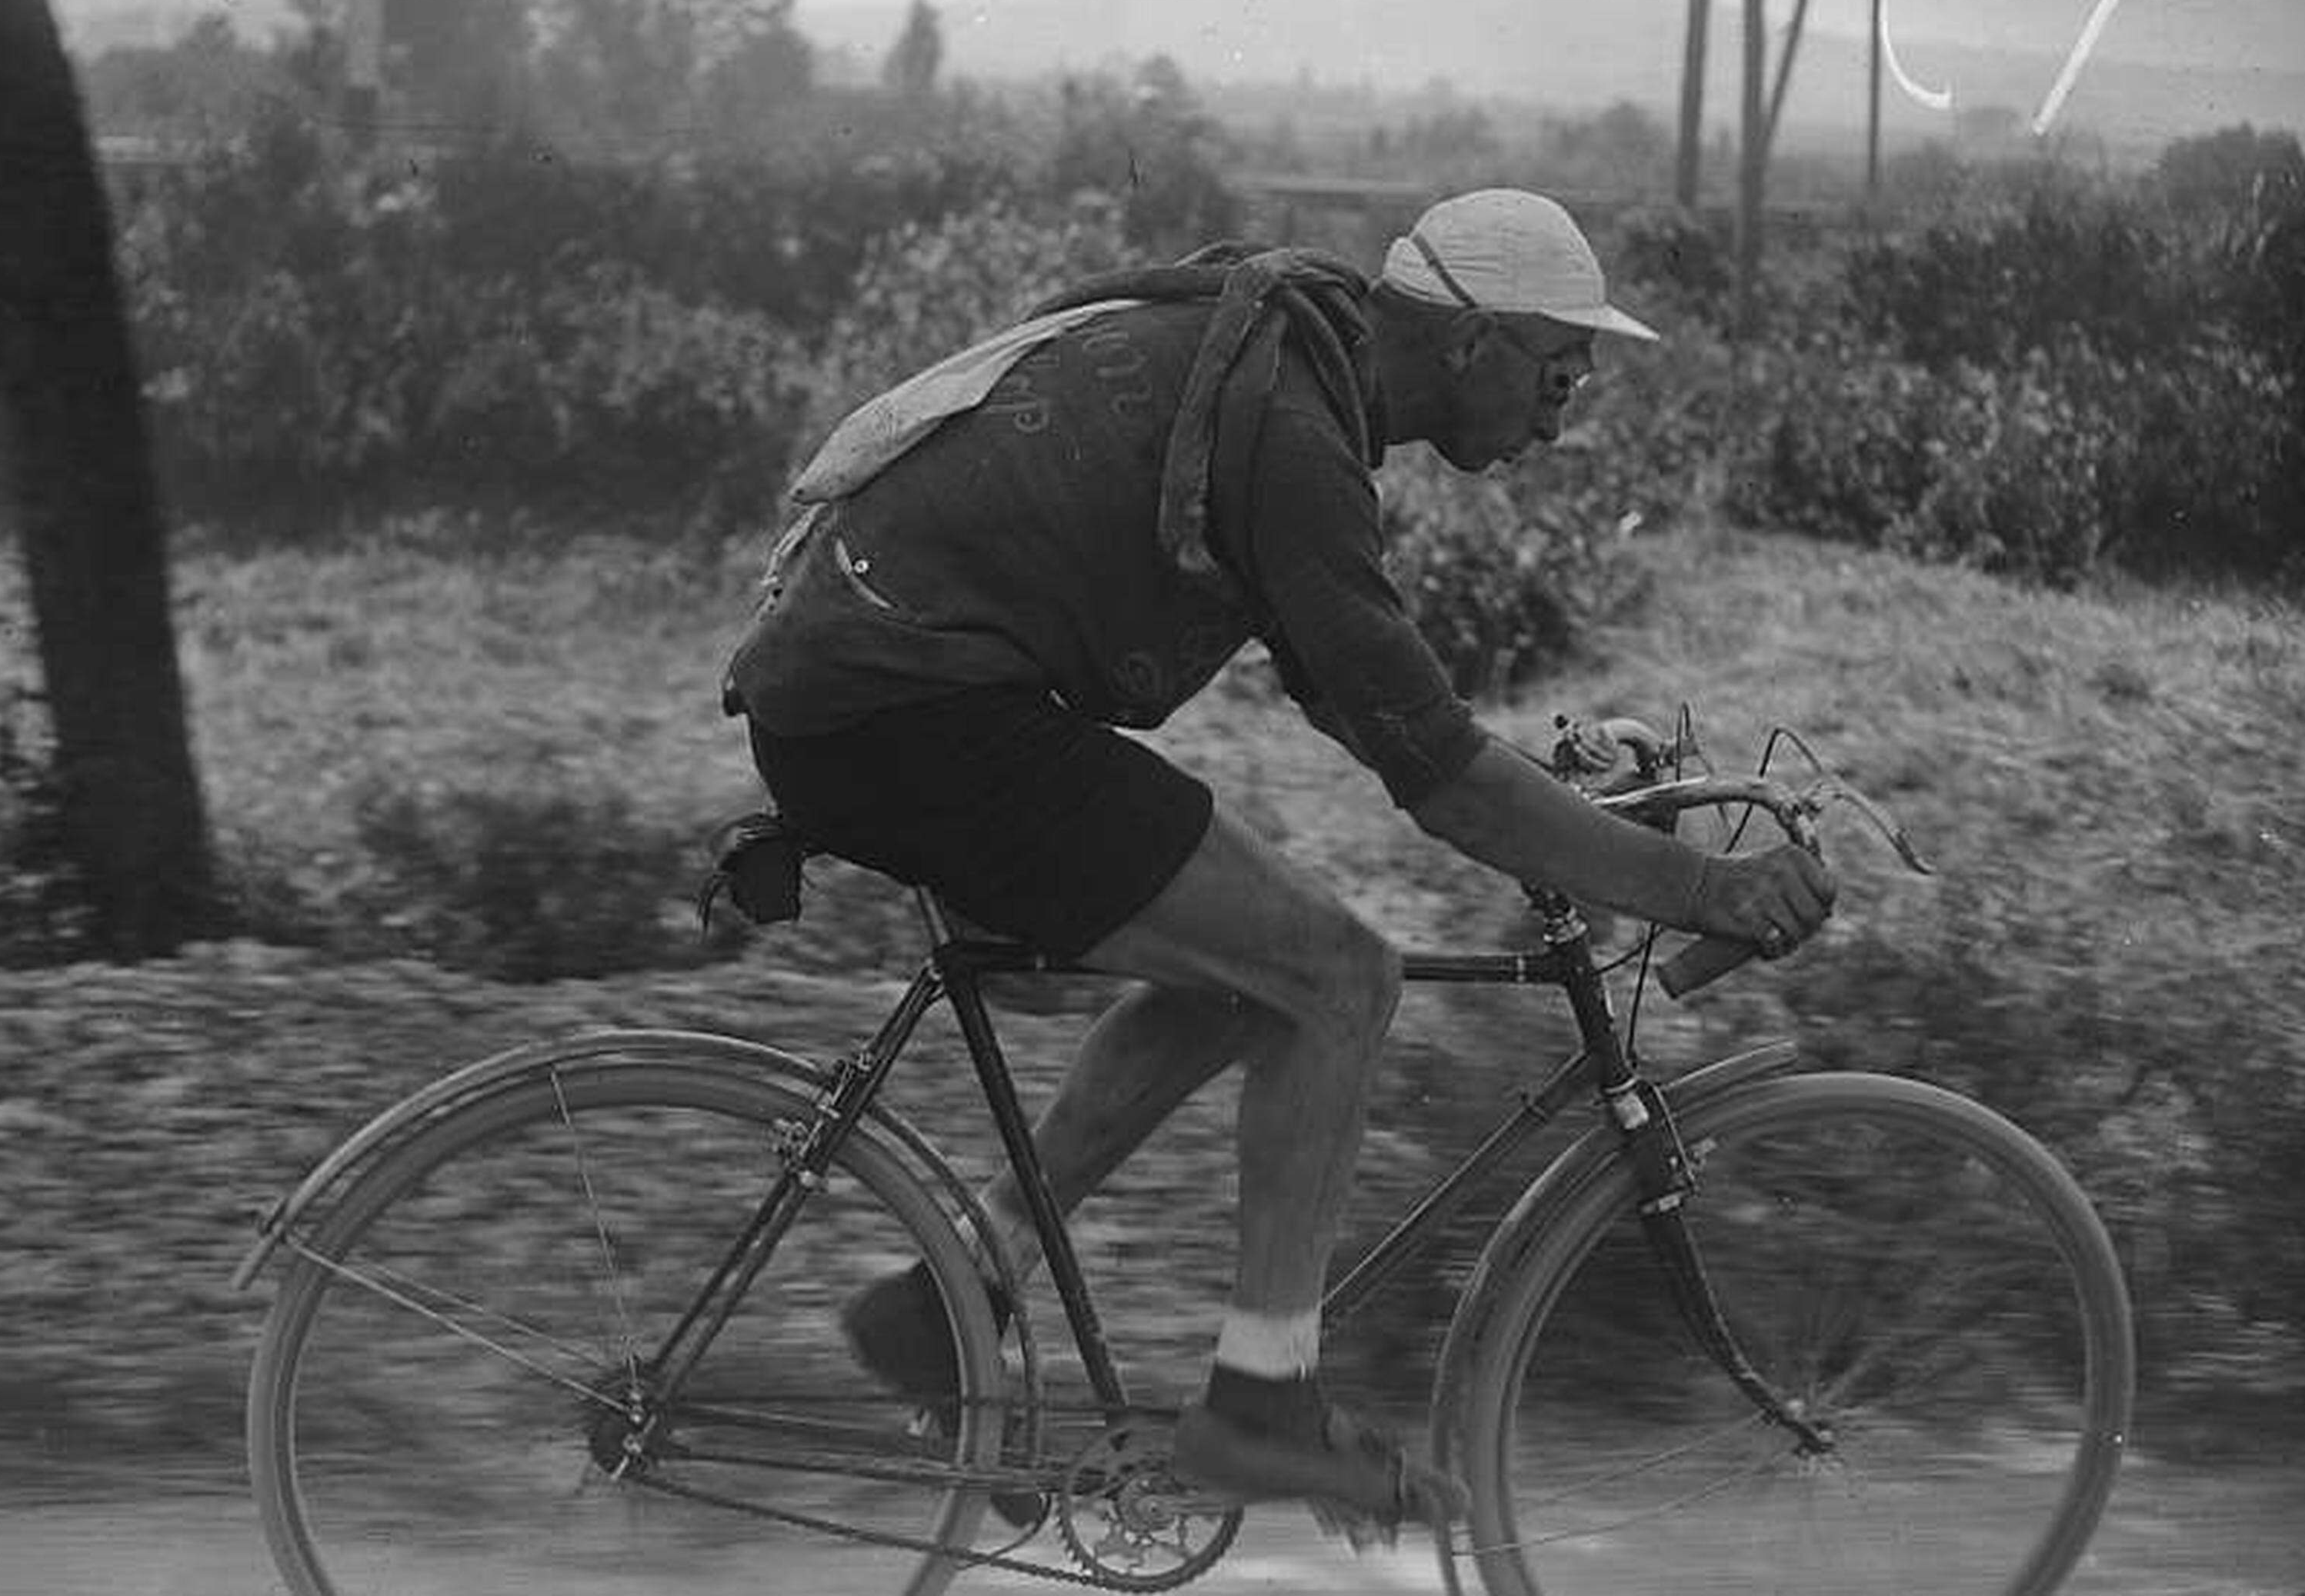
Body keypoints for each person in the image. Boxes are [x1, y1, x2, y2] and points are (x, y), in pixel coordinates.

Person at [718, 188, 1837, 1540]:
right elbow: (1430, 774)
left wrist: (1555, 797)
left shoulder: (1291, 366)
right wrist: (1705, 892)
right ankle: (1262, 1407)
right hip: (912, 707)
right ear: (1473, 343)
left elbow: (1380, 709)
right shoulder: (1294, 428)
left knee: (1250, 973)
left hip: (873, 694)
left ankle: (951, 1290)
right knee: (1341, 978)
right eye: (1558, 370)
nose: (1563, 412)